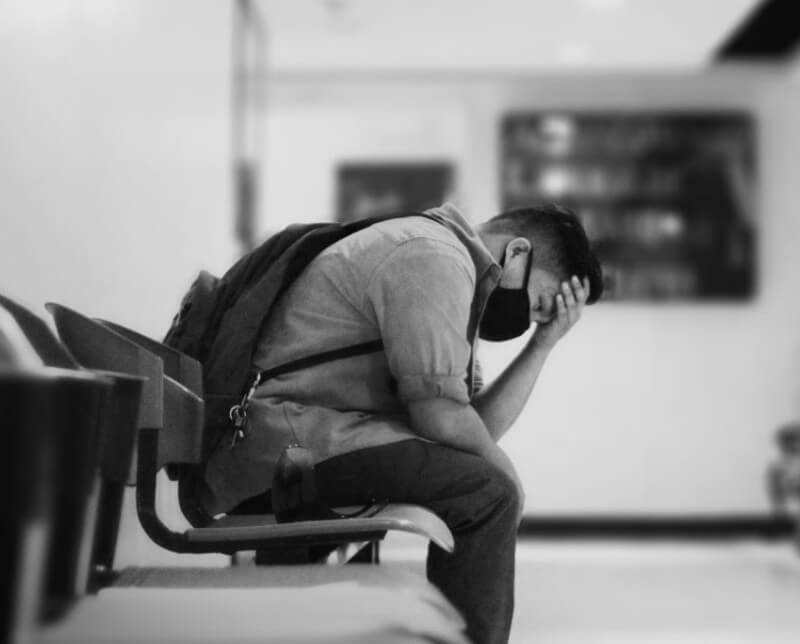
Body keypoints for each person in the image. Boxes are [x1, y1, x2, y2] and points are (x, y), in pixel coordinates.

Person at [203, 202, 603, 644]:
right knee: (491, 494)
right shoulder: (432, 256)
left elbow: (470, 431)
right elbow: (441, 417)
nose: (526, 320)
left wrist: (542, 346)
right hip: (287, 441)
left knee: (485, 484)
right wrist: (509, 479)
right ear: (517, 252)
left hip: (302, 439)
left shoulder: (451, 270)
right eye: (540, 304)